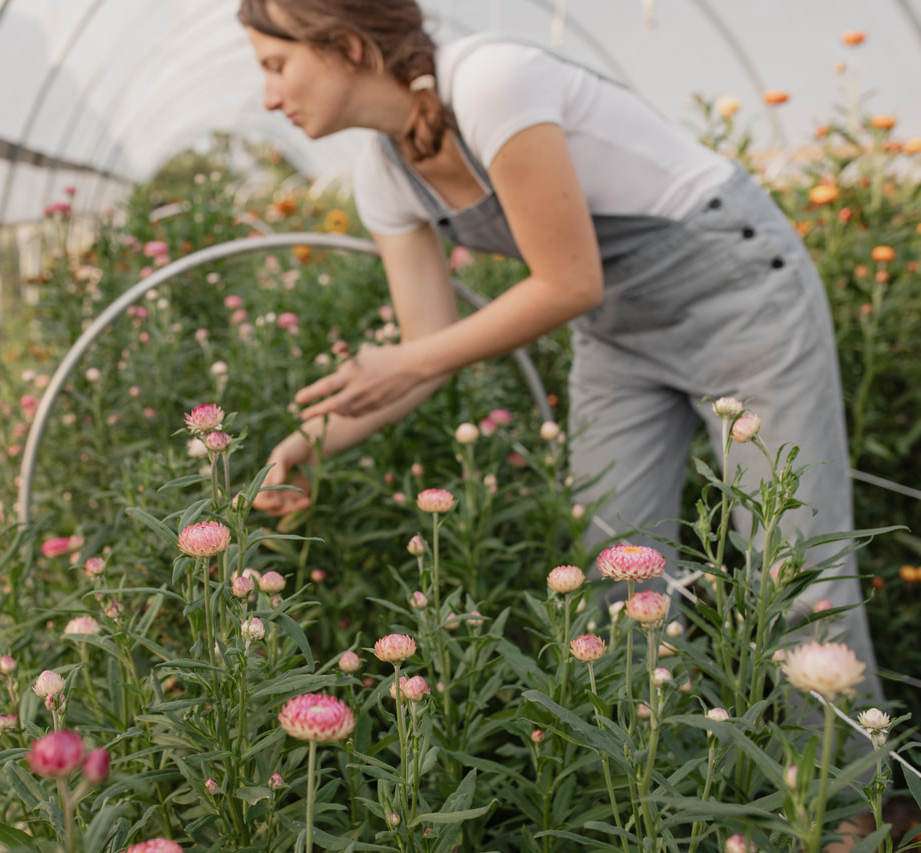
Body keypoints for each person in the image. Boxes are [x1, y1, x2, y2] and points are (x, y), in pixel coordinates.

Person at [239, 0, 883, 705]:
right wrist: (309, 441)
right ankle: (666, 766)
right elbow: (428, 352)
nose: (267, 97)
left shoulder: (489, 82)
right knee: (619, 570)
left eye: (276, 65)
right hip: (617, 330)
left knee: (794, 575)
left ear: (348, 46)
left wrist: (408, 360)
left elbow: (567, 283)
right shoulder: (386, 177)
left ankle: (847, 777)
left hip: (737, 294)